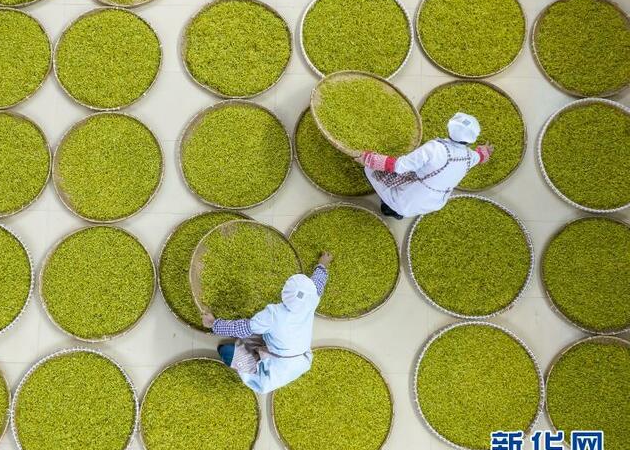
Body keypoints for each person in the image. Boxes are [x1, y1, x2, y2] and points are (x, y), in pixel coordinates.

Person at [201, 252, 332, 394]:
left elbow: (244, 328)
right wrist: (323, 264)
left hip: (275, 371)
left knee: (225, 350)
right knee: (259, 334)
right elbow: (317, 284)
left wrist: (214, 324)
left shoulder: (273, 314)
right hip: (299, 359)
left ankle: (254, 360)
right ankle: (259, 350)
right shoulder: (311, 300)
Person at [354, 112, 494, 220]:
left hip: (406, 201)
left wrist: (368, 159)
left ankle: (389, 208)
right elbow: (480, 157)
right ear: (471, 139)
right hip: (433, 203)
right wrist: (485, 152)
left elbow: (400, 166)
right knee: (420, 175)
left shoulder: (435, 148)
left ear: (449, 127)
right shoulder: (469, 157)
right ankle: (396, 211)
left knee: (370, 169)